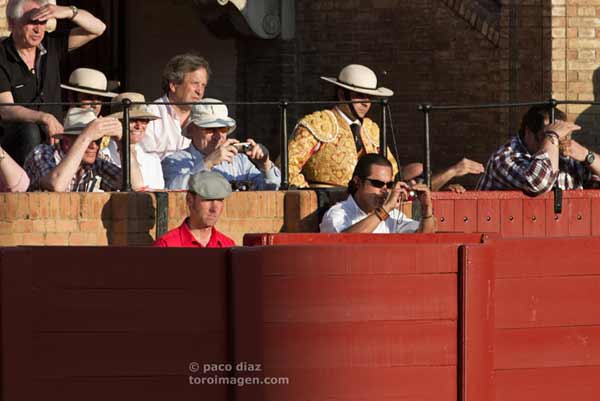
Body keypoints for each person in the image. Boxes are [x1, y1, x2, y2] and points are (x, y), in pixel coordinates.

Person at [0, 0, 106, 165]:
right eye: (32, 22)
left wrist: (67, 11)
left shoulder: (51, 44)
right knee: (30, 130)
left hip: (53, 142)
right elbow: (6, 109)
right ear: (12, 23)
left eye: (43, 22)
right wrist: (44, 118)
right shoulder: (1, 55)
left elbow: (99, 28)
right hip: (14, 148)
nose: (38, 29)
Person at [288, 64, 404, 188]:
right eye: (359, 96)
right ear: (342, 95)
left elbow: (392, 170)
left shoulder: (371, 129)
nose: (366, 103)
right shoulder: (317, 123)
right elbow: (287, 167)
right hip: (324, 203)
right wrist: (310, 195)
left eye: (369, 97)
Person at [477, 105, 600, 194]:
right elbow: (539, 184)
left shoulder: (564, 156)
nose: (555, 144)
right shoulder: (504, 157)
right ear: (528, 133)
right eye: (547, 136)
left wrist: (587, 156)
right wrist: (552, 136)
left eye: (561, 137)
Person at [162, 98, 281, 190]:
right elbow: (173, 192)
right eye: (210, 129)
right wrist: (208, 163)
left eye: (223, 129)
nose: (218, 136)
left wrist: (265, 166)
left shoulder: (240, 161)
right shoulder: (174, 161)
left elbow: (271, 190)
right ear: (191, 130)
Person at [24, 107, 144, 192]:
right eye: (89, 141)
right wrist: (86, 136)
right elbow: (56, 185)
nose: (94, 146)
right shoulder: (43, 153)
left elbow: (136, 185)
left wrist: (122, 142)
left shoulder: (96, 162)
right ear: (65, 141)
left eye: (97, 140)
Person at [320, 153, 436, 234]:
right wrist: (385, 211)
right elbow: (345, 243)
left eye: (389, 185)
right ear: (358, 182)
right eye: (377, 183)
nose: (384, 190)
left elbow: (424, 237)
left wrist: (427, 209)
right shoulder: (337, 214)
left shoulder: (394, 215)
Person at [141, 53, 210, 160]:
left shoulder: (207, 117)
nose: (199, 91)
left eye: (203, 85)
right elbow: (146, 163)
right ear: (173, 85)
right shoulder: (149, 116)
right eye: (195, 83)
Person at [153, 170, 235, 248]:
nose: (214, 208)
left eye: (220, 200)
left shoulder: (227, 245)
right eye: (207, 200)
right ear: (189, 200)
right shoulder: (166, 245)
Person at [106, 92, 165, 190]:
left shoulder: (153, 161)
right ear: (117, 121)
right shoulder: (102, 156)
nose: (139, 126)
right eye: (132, 120)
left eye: (144, 120)